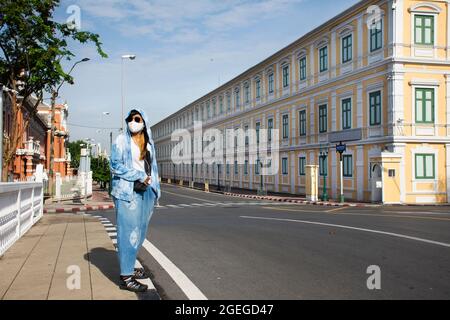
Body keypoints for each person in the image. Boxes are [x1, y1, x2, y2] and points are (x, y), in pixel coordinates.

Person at [110, 108, 161, 292]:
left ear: (144, 122)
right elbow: (115, 166)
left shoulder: (149, 143)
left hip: (147, 190)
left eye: (137, 118)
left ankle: (130, 267)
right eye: (130, 119)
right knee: (128, 232)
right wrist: (139, 175)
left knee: (140, 232)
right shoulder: (121, 140)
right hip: (127, 191)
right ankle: (126, 277)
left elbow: (153, 167)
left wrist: (156, 188)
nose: (133, 121)